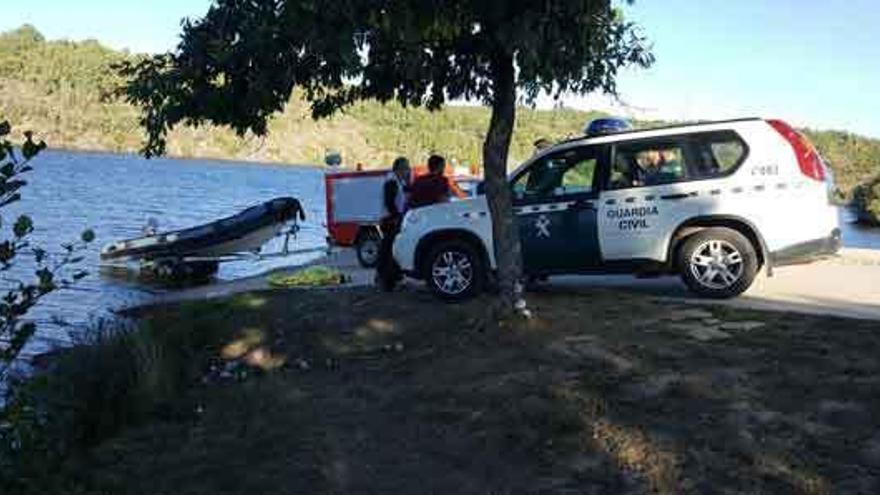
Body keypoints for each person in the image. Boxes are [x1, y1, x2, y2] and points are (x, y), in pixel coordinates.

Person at [376, 157, 411, 291]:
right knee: (389, 250)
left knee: (391, 250)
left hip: (392, 219)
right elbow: (389, 202)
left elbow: (406, 193)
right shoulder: (391, 182)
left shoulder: (398, 182)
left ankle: (393, 279)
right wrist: (396, 216)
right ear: (398, 169)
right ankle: (387, 281)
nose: (408, 171)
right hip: (389, 220)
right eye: (406, 168)